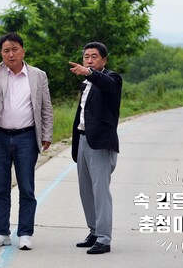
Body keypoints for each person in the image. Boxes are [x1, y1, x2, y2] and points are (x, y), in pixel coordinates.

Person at [0, 32, 53, 251]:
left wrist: (47, 133)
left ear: (23, 51)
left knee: (27, 187)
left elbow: (46, 106)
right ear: (1, 54)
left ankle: (26, 233)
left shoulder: (38, 75)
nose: (10, 54)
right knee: (1, 186)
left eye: (14, 49)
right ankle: (2, 232)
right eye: (6, 51)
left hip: (27, 136)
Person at [69, 41, 122, 255]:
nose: (89, 60)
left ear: (104, 60)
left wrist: (89, 72)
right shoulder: (86, 83)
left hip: (100, 143)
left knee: (100, 192)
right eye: (86, 57)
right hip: (82, 139)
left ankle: (104, 238)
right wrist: (88, 75)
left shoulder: (112, 78)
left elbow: (107, 85)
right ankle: (94, 230)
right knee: (86, 191)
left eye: (94, 56)